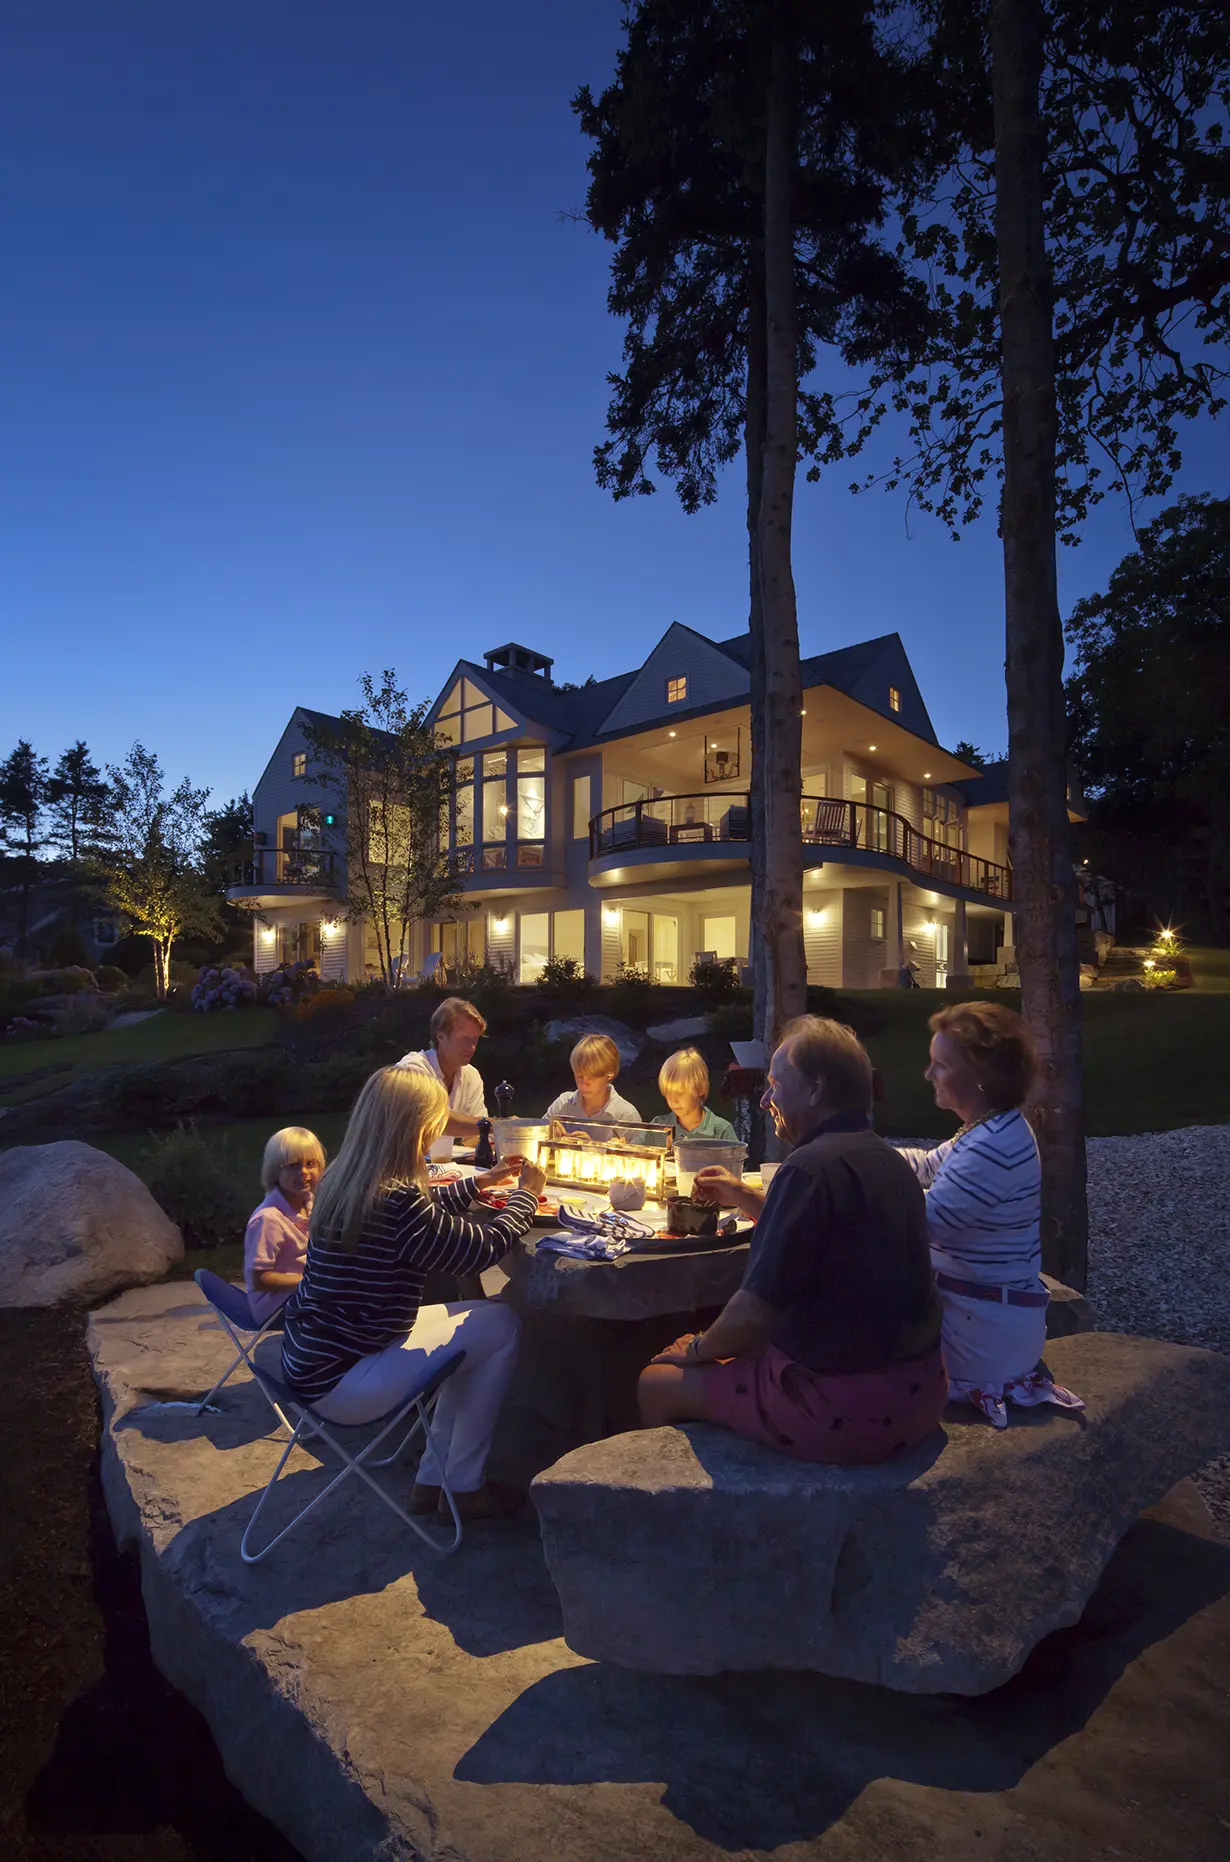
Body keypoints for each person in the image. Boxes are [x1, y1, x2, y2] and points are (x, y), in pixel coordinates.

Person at [638, 1017, 947, 1465]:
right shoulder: (887, 1161)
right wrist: (745, 1195)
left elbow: (751, 1316)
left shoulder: (807, 1169)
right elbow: (825, 1233)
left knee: (657, 1380)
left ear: (816, 1089)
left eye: (775, 1085)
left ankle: (689, 1513)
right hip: (921, 1392)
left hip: (843, 1407)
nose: (765, 1100)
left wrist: (698, 1349)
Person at [281, 1066, 545, 1521]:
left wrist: (478, 1184)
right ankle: (462, 1488)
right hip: (347, 1378)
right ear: (415, 1127)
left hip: (311, 1360)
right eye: (433, 1124)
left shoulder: (345, 1178)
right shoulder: (398, 1198)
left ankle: (433, 1481)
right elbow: (477, 1251)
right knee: (502, 1324)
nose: (435, 1132)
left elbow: (421, 1219)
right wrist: (527, 1196)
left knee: (478, 1325)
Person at [896, 1002, 1085, 1429]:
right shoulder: (991, 1128)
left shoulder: (993, 1146)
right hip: (981, 1316)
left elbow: (921, 1224)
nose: (928, 1075)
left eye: (940, 1065)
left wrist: (852, 1175)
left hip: (980, 1334)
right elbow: (927, 1165)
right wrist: (862, 1153)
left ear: (982, 1075)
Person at [243, 1126, 327, 1325]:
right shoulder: (268, 1219)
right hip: (275, 1305)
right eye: (292, 1165)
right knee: (348, 1302)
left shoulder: (308, 1203)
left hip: (300, 1292)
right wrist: (312, 1283)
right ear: (274, 1170)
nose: (304, 1172)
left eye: (311, 1163)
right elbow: (259, 1279)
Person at [397, 996, 488, 1159]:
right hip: (397, 1169)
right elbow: (436, 1120)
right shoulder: (413, 1070)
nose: (472, 1047)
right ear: (440, 1037)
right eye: (465, 1039)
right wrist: (498, 1126)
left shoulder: (471, 1076)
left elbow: (477, 1134)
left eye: (476, 1039)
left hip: (445, 1169)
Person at [544, 1033, 642, 1124]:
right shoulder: (563, 1104)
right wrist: (550, 1132)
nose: (584, 1083)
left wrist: (590, 1143)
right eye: (580, 1076)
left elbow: (639, 1143)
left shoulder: (626, 1115)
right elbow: (537, 1134)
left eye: (592, 1077)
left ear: (609, 1075)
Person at [650, 1047, 737, 1143]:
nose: (673, 1100)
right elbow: (631, 1152)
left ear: (700, 1088)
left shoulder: (721, 1131)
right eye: (668, 1093)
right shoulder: (657, 1127)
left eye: (680, 1093)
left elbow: (736, 1157)